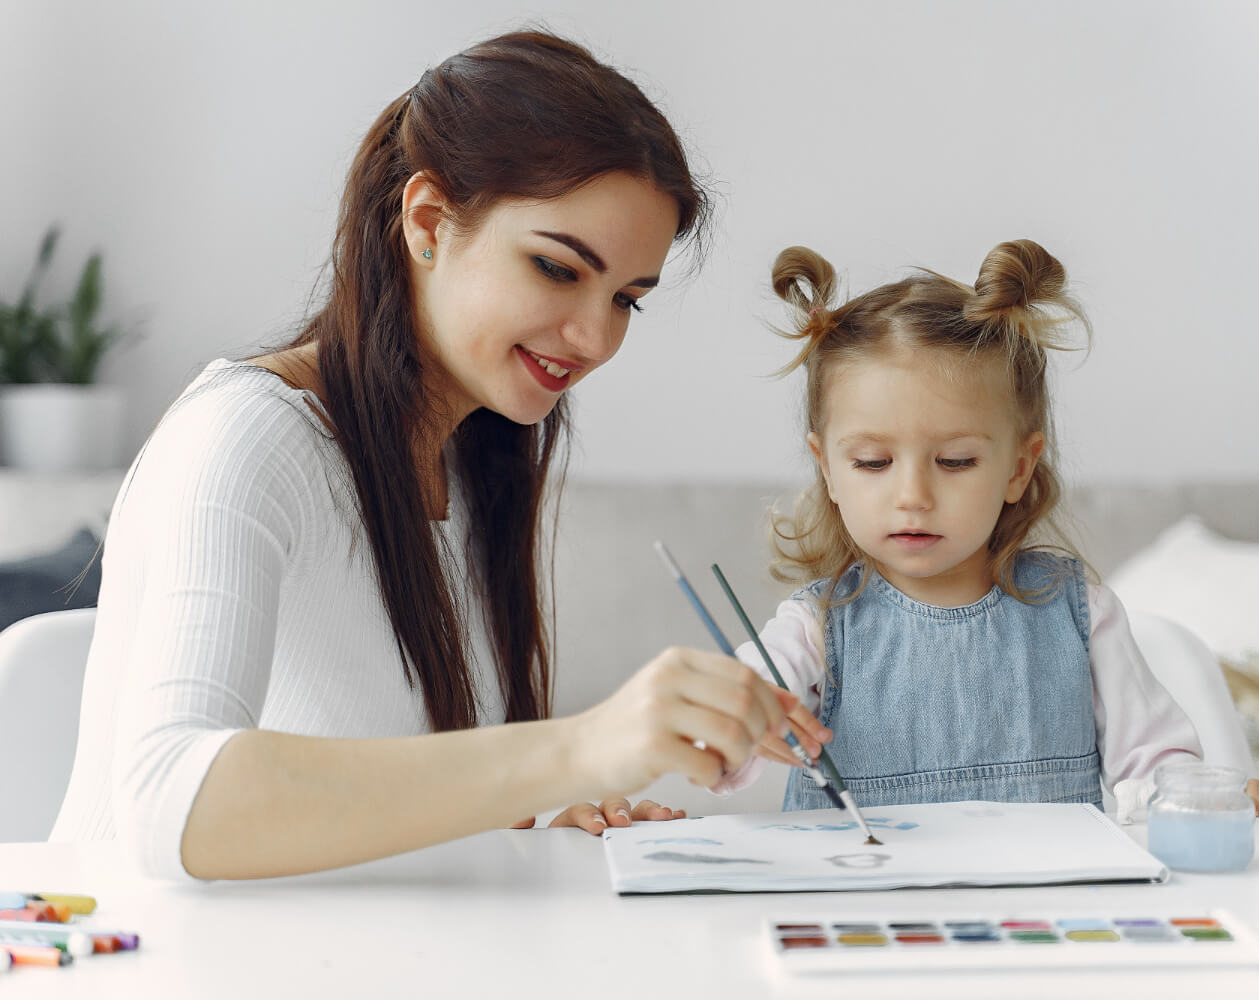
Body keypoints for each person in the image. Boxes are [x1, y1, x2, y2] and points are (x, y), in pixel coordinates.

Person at [49, 30, 801, 881]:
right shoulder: (248, 439)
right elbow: (167, 802)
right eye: (557, 269)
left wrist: (536, 812)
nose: (596, 338)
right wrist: (578, 748)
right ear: (429, 222)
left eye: (627, 298)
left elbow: (387, 766)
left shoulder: (479, 458)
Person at [714, 240, 1259, 821]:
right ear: (827, 469)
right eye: (873, 463)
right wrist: (739, 719)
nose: (913, 496)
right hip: (866, 905)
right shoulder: (813, 629)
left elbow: (1155, 766)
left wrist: (1201, 798)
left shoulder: (1080, 614)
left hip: (1039, 908)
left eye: (955, 461)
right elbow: (728, 728)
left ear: (1018, 467)